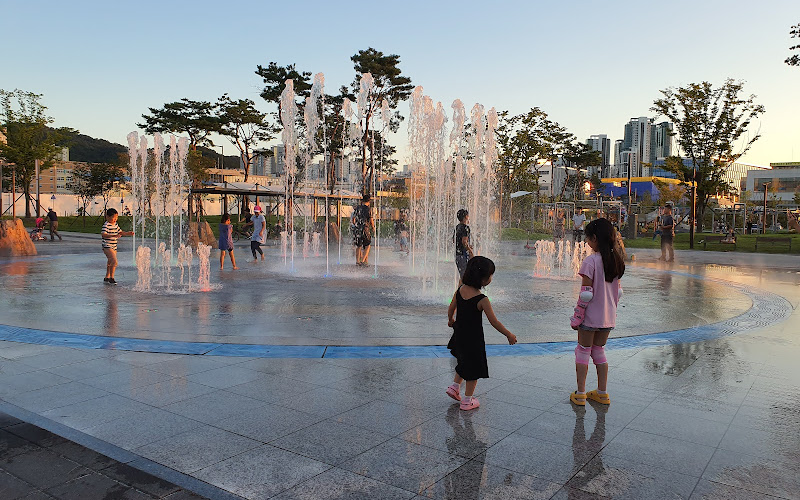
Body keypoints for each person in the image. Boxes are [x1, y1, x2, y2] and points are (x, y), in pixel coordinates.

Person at [446, 256, 517, 410]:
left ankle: (454, 386)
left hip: (459, 335)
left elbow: (451, 307)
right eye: (490, 275)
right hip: (474, 340)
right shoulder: (482, 299)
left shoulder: (460, 290)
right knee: (474, 369)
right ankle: (467, 401)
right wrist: (508, 334)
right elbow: (494, 322)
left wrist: (451, 319)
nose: (491, 278)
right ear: (483, 279)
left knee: (463, 362)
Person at [569, 218, 624, 406]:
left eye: (588, 239)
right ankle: (602, 393)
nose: (587, 243)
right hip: (608, 317)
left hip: (590, 316)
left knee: (583, 351)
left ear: (595, 238)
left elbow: (586, 295)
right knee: (599, 351)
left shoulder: (591, 262)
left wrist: (577, 316)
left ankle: (581, 393)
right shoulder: (616, 260)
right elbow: (619, 292)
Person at [101, 208, 134, 284]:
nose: (115, 219)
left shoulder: (115, 225)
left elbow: (120, 232)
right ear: (107, 217)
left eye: (116, 217)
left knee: (110, 261)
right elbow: (103, 234)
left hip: (114, 246)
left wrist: (128, 233)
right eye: (113, 217)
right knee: (114, 261)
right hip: (107, 246)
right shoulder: (106, 225)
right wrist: (113, 235)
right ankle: (112, 278)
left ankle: (107, 277)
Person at [351, 194, 373, 266]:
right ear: (369, 201)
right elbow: (371, 219)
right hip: (365, 228)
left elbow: (353, 219)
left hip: (358, 228)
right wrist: (373, 227)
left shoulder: (358, 208)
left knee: (359, 245)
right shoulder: (368, 209)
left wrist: (355, 225)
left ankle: (357, 262)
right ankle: (363, 261)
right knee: (367, 245)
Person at [454, 209, 474, 279]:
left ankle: (459, 289)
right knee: (466, 277)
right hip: (463, 255)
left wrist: (466, 245)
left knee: (462, 276)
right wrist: (470, 251)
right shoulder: (466, 228)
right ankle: (464, 290)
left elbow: (454, 240)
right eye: (468, 215)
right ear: (466, 216)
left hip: (457, 255)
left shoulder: (457, 227)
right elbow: (464, 242)